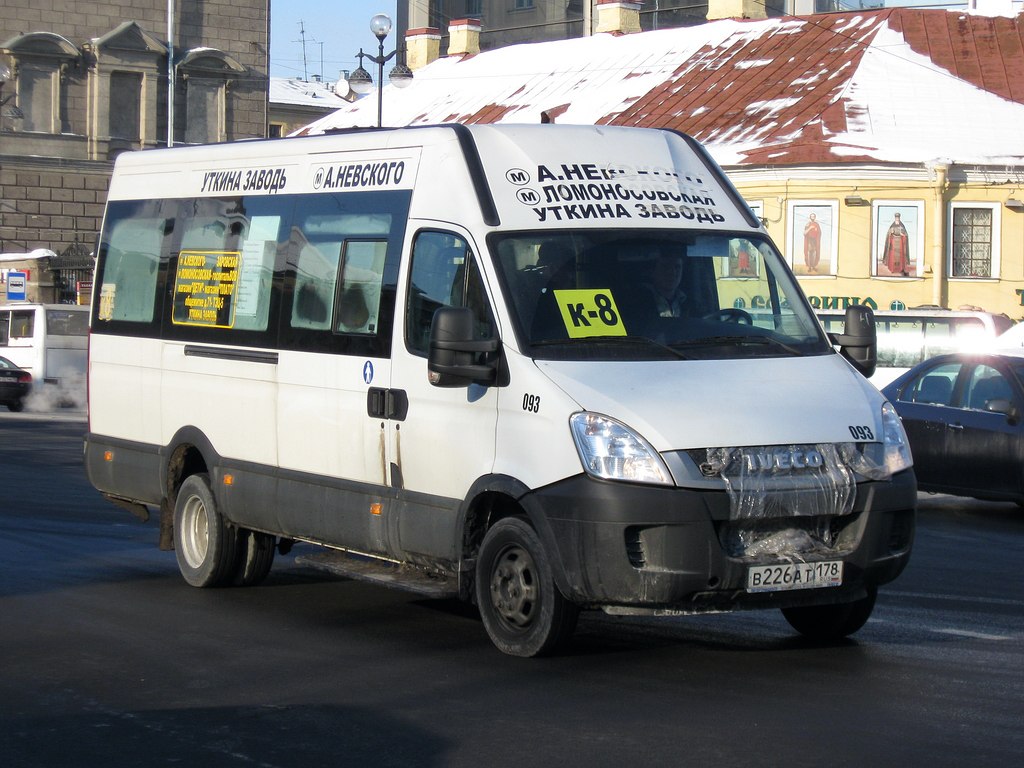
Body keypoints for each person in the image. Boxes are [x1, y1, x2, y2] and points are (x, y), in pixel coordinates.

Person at [644, 251, 687, 318]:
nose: (672, 272)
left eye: (677, 267)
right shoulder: (640, 300)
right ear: (653, 271)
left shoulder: (689, 303)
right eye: (665, 266)